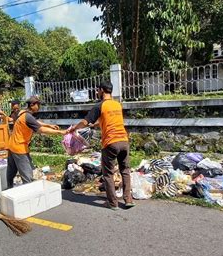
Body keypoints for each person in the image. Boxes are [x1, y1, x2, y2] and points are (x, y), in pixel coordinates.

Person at [68, 81, 134, 210]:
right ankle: (128, 199)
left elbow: (85, 122)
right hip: (124, 141)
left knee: (108, 173)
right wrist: (96, 124)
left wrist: (74, 128)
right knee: (125, 171)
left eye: (98, 90)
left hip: (110, 143)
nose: (97, 92)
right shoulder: (117, 105)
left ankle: (113, 203)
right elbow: (110, 120)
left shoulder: (100, 106)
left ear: (102, 90)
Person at [7, 96, 67, 188]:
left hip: (12, 145)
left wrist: (49, 125)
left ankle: (9, 188)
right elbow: (41, 129)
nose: (39, 107)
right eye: (38, 105)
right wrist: (60, 132)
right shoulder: (27, 116)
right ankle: (28, 196)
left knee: (11, 171)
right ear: (32, 105)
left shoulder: (23, 113)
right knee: (27, 176)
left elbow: (34, 122)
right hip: (20, 148)